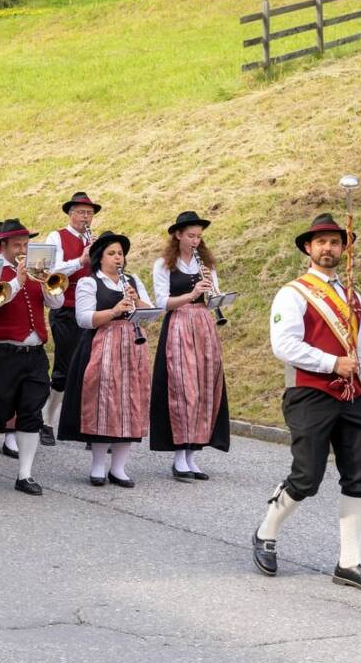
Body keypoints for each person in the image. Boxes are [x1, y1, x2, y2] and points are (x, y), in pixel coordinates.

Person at [253, 213, 361, 594]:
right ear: (308, 249)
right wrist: (332, 363)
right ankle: (266, 532)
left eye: (335, 242)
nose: (328, 248)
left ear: (344, 249)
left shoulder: (353, 296)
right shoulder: (292, 294)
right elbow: (285, 346)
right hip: (309, 393)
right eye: (321, 242)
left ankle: (349, 562)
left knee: (359, 478)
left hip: (353, 397)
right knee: (307, 476)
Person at [0, 219, 63, 496]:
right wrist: (17, 281)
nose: (22, 249)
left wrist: (47, 282)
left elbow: (56, 303)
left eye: (25, 244)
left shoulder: (37, 270)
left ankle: (25, 474)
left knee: (30, 412)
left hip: (34, 351)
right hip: (3, 351)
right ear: (3, 246)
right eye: (17, 245)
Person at [58, 233, 153, 487]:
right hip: (103, 344)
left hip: (133, 346)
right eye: (112, 253)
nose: (117, 258)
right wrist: (114, 310)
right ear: (100, 258)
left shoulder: (132, 280)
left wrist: (137, 301)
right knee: (104, 405)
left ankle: (119, 468)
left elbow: (151, 313)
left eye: (120, 253)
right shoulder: (89, 283)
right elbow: (84, 319)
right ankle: (98, 466)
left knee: (130, 405)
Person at [151, 211, 231, 480]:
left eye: (198, 236)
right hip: (179, 324)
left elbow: (210, 300)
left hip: (203, 325)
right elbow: (163, 303)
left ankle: (192, 455)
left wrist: (215, 297)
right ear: (178, 235)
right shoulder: (163, 264)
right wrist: (191, 294)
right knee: (184, 388)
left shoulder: (205, 263)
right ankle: (178, 456)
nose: (196, 241)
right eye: (191, 236)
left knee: (204, 386)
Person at [41, 192, 102, 446]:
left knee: (90, 369)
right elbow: (51, 271)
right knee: (65, 369)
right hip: (64, 308)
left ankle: (87, 426)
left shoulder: (94, 240)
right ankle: (47, 420)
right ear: (70, 214)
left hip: (90, 310)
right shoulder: (57, 237)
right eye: (80, 212)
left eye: (89, 213)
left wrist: (98, 256)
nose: (85, 218)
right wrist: (81, 260)